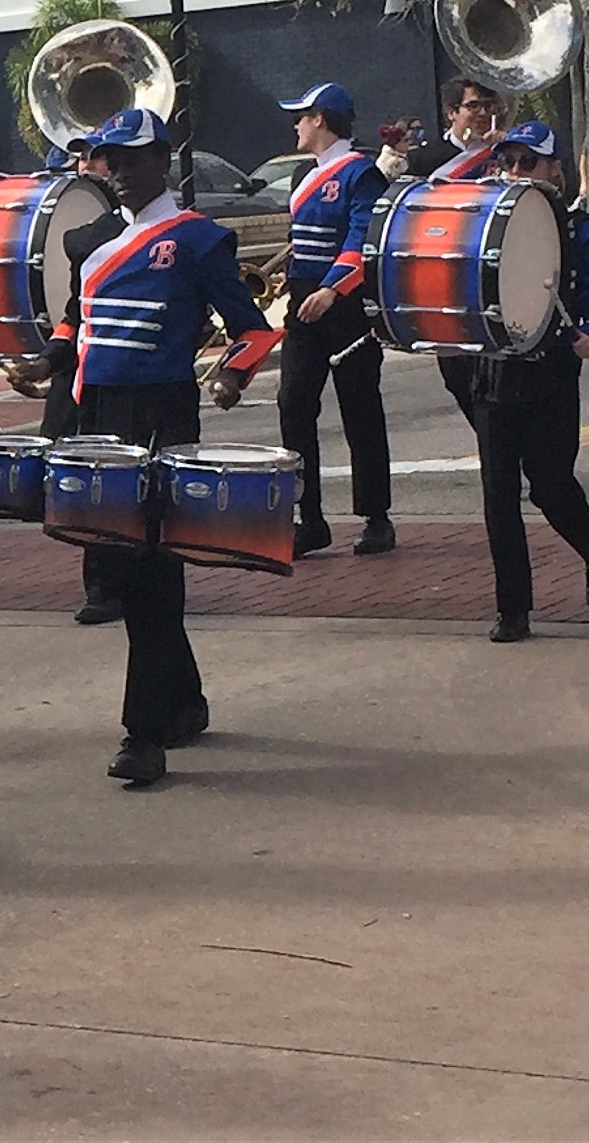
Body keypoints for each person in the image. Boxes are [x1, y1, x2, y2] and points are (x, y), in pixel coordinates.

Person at [72, 109, 280, 787]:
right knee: (132, 576)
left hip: (161, 410)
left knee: (153, 572)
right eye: (112, 161)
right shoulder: (96, 246)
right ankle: (183, 704)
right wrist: (49, 367)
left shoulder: (196, 240)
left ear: (162, 160)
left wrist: (231, 375)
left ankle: (144, 734)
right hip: (100, 413)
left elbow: (252, 330)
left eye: (133, 160)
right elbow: (81, 329)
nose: (121, 173)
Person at [468, 124, 589, 642]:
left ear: (553, 169)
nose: (514, 172)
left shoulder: (579, 231)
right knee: (498, 494)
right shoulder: (482, 226)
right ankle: (512, 609)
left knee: (552, 488)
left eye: (527, 163)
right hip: (495, 370)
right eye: (508, 162)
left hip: (551, 371)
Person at [3, 130, 127, 624]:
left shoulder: (175, 232)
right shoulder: (86, 237)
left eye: (100, 158)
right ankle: (101, 586)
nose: (88, 167)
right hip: (83, 372)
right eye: (86, 158)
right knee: (83, 475)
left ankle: (140, 581)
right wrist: (47, 360)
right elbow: (76, 315)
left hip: (138, 378)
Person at [273, 82, 396, 558]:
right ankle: (310, 516)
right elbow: (305, 237)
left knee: (360, 408)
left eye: (302, 116)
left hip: (344, 305)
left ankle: (376, 516)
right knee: (293, 403)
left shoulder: (360, 174)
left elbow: (361, 240)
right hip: (306, 300)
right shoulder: (306, 174)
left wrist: (332, 288)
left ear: (321, 119)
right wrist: (295, 275)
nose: (296, 125)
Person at [407, 77, 508, 419]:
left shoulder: (506, 153)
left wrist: (505, 156)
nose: (482, 113)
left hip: (493, 271)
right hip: (443, 274)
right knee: (456, 375)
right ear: (451, 112)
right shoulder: (425, 159)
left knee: (499, 373)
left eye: (487, 106)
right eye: (473, 106)